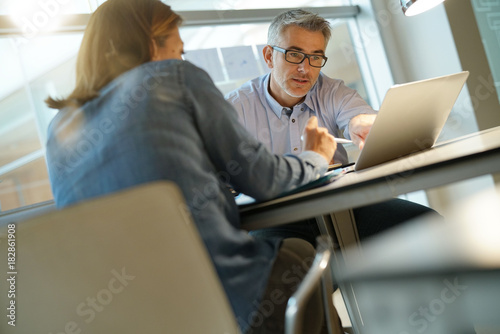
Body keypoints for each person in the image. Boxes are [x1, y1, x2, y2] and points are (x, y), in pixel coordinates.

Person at [44, 1, 343, 333]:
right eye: (179, 51)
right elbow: (263, 178)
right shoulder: (173, 77)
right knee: (302, 254)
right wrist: (315, 157)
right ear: (151, 45)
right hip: (220, 295)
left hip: (129, 317)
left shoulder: (59, 129)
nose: (181, 61)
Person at [225, 9, 438, 245]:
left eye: (316, 57)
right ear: (268, 56)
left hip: (344, 205)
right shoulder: (235, 108)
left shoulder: (330, 90)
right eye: (294, 54)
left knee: (429, 225)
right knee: (279, 265)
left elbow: (359, 115)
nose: (305, 69)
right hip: (277, 218)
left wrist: (359, 122)